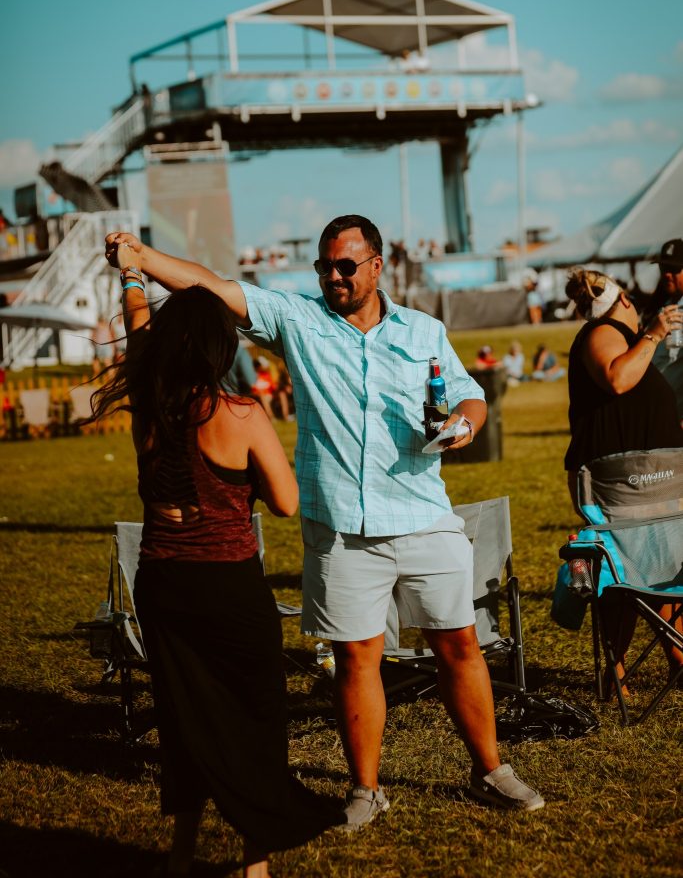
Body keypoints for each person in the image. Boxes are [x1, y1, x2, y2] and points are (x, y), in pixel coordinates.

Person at [104, 215, 544, 825]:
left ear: (377, 266)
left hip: (424, 514)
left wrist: (464, 423)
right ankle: (365, 789)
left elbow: (471, 393)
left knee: (460, 645)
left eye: (345, 266)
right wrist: (141, 257)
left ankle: (490, 771)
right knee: (357, 659)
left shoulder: (424, 330)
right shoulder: (298, 320)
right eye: (323, 267)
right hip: (340, 526)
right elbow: (213, 288)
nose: (333, 277)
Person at [90, 244, 340, 877]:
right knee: (255, 717)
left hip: (162, 583)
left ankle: (181, 855)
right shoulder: (241, 414)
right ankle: (255, 866)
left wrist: (132, 276)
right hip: (228, 585)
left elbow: (139, 334)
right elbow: (285, 502)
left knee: (184, 717)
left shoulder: (149, 402)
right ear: (219, 349)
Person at [563, 268, 683, 687]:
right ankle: (617, 670)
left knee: (657, 561)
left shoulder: (624, 339)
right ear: (625, 300)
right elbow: (616, 379)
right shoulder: (604, 332)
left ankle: (677, 655)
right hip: (622, 486)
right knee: (628, 566)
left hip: (651, 481)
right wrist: (653, 335)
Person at [648, 238, 683, 424]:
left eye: (674, 269)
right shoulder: (661, 308)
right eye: (663, 268)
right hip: (659, 413)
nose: (667, 274)